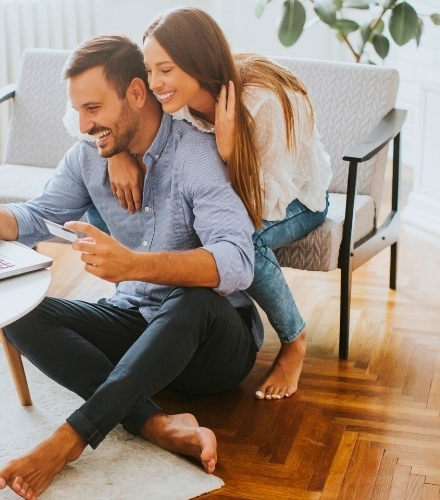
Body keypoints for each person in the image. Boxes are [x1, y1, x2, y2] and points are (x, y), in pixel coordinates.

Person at [0, 34, 263, 500]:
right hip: (138, 323)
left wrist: (135, 264)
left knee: (193, 300)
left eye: (93, 109)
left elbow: (238, 261)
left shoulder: (195, 156)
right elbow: (40, 215)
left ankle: (69, 441)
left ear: (135, 93)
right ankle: (153, 423)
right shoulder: (91, 156)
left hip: (213, 345)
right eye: (79, 111)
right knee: (14, 311)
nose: (84, 125)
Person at [105, 7, 332, 401]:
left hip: (294, 199)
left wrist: (230, 152)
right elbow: (90, 109)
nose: (154, 82)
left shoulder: (263, 103)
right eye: (149, 69)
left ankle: (294, 340)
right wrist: (116, 153)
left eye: (166, 69)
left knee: (245, 243)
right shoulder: (174, 96)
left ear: (197, 62)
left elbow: (260, 203)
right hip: (242, 199)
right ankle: (157, 320)